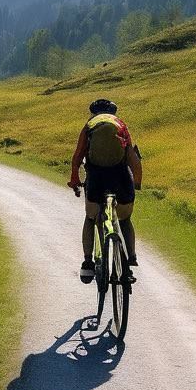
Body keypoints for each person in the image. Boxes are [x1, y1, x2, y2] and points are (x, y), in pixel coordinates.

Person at [67, 98, 142, 284]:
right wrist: (137, 183)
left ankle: (87, 261)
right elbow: (131, 157)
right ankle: (130, 259)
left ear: (93, 113)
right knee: (125, 220)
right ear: (113, 113)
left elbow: (78, 156)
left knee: (91, 218)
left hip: (97, 177)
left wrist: (75, 180)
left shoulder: (90, 126)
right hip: (120, 176)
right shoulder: (119, 125)